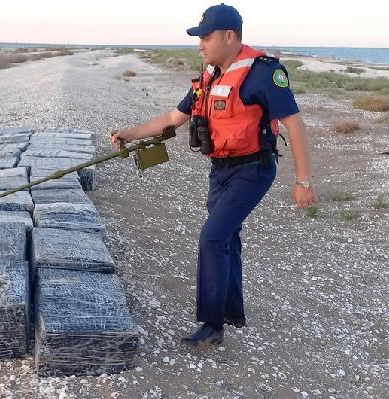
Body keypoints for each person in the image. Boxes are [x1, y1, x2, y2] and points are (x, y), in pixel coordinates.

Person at [110, 3, 317, 350]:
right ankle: (233, 311)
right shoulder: (209, 78)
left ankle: (212, 325)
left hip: (253, 170)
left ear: (229, 36)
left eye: (206, 37)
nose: (200, 45)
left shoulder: (263, 74)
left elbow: (295, 124)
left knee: (211, 238)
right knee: (227, 237)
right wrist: (131, 133)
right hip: (220, 171)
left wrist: (303, 181)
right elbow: (173, 119)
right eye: (199, 38)